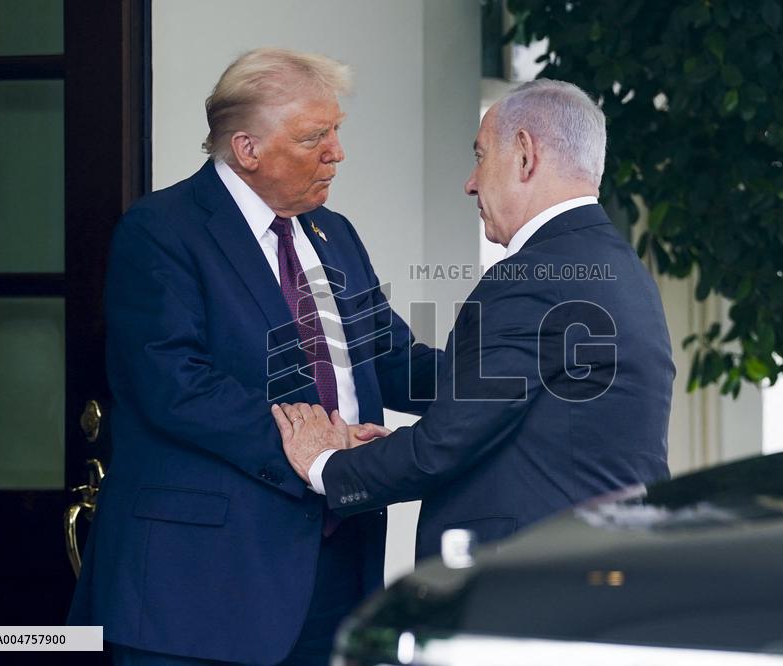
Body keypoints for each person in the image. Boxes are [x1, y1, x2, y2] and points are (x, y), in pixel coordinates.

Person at [68, 48, 440, 665]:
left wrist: (510, 375)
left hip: (337, 566)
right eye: (314, 136)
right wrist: (318, 451)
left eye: (336, 132)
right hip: (202, 588)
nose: (336, 152)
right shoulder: (160, 229)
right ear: (247, 149)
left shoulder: (334, 233)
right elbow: (176, 386)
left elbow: (393, 359)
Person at [275, 79, 675, 561]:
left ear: (525, 155)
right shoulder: (617, 266)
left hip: (531, 581)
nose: (470, 181)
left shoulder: (533, 276)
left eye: (481, 155)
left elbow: (443, 446)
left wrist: (325, 464)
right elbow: (504, 416)